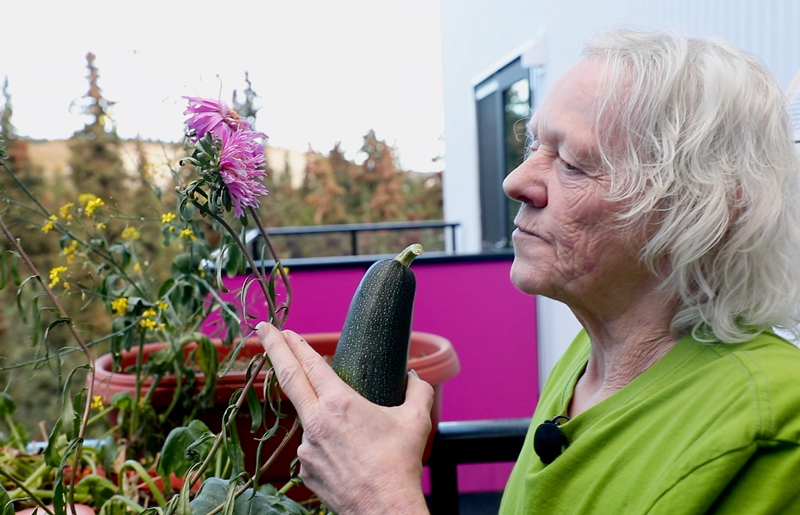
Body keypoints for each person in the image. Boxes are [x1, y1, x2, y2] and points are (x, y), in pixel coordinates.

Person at [257, 28, 800, 514]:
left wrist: (377, 498)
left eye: (573, 162)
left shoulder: (774, 428)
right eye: (534, 144)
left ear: (701, 208)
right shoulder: (587, 360)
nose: (516, 180)